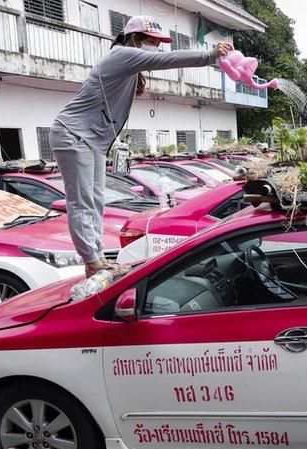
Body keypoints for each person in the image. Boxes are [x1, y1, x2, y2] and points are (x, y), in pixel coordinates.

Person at [50, 15, 232, 277]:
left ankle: (98, 257)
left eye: (158, 42)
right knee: (82, 202)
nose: (156, 47)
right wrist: (209, 55)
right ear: (134, 38)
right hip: (73, 134)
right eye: (152, 41)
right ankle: (91, 262)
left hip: (92, 140)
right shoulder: (121, 54)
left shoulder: (129, 66)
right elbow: (163, 61)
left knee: (97, 202)